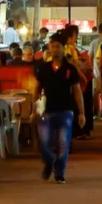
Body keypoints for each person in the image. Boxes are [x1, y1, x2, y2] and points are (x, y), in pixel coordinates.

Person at [35, 34, 86, 183]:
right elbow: (37, 89)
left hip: (65, 111)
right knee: (44, 143)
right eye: (52, 46)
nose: (55, 49)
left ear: (63, 49)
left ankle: (59, 172)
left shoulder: (70, 69)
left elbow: (77, 91)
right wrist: (35, 108)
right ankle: (49, 161)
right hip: (46, 111)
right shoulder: (43, 68)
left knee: (63, 143)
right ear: (49, 48)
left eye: (58, 46)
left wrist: (81, 112)